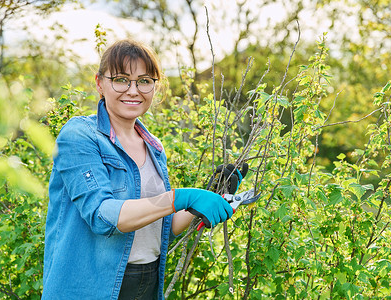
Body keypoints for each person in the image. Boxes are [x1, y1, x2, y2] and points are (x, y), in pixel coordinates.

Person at [42, 39, 245, 300]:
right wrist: (183, 197)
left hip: (146, 284)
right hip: (91, 287)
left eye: (144, 81)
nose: (133, 90)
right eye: (121, 79)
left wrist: (211, 195)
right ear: (100, 83)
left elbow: (163, 226)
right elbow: (102, 215)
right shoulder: (80, 136)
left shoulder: (153, 147)